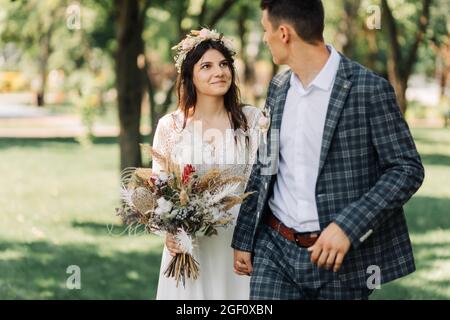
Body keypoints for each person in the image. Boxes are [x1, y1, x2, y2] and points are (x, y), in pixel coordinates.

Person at [232, 0, 425, 300]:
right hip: (275, 251)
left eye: (265, 30)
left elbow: (406, 169)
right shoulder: (278, 88)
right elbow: (264, 164)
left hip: (341, 261)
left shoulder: (368, 89)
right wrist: (244, 237)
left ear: (284, 33)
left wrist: (348, 226)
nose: (266, 37)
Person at [152, 28, 262, 300]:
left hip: (240, 243)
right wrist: (169, 231)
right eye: (207, 66)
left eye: (224, 64)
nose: (220, 72)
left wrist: (251, 241)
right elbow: (158, 192)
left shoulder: (251, 121)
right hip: (190, 246)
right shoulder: (171, 127)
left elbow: (265, 185)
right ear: (190, 75)